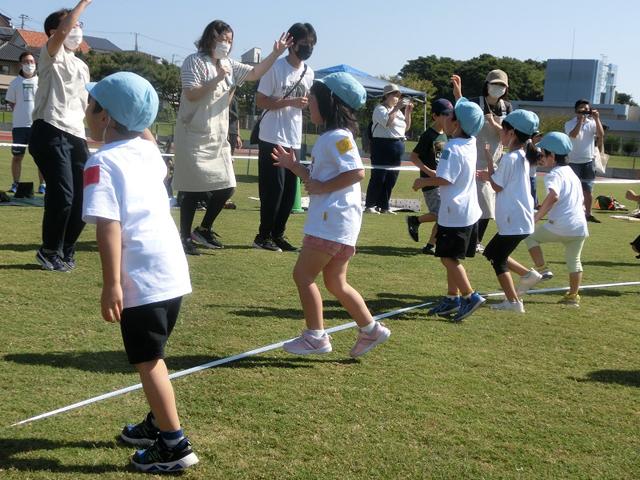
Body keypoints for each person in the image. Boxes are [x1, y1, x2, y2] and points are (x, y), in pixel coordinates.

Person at [82, 72, 198, 472]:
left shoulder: (101, 161)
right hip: (172, 274)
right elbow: (142, 131)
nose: (86, 109)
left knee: (148, 361)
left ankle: (174, 444)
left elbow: (108, 225)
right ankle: (156, 424)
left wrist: (112, 284)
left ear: (105, 116)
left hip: (142, 279)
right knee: (156, 354)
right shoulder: (150, 152)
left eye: (92, 103)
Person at [271, 72, 390, 357]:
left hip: (331, 222)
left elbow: (357, 171)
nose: (308, 103)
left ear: (330, 102)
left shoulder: (337, 137)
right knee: (336, 282)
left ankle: (316, 336)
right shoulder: (334, 137)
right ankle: (371, 329)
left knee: (303, 276)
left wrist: (322, 185)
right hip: (340, 224)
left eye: (313, 98)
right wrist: (294, 166)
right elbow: (317, 179)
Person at [173, 20, 293, 255]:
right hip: (193, 133)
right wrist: (218, 79)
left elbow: (255, 72)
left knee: (227, 186)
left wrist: (276, 53)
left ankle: (204, 228)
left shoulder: (229, 64)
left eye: (229, 41)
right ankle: (184, 236)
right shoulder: (194, 61)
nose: (226, 45)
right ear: (210, 38)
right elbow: (191, 93)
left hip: (217, 135)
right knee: (191, 188)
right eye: (222, 39)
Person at [412, 75, 485, 322]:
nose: (448, 117)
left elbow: (445, 179)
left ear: (456, 121)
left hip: (454, 212)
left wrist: (423, 181)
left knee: (447, 258)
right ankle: (452, 297)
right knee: (451, 257)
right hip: (468, 211)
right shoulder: (471, 141)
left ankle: (470, 296)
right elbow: (469, 116)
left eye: (452, 114)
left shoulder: (452, 148)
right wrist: (459, 93)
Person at [28, 0, 92, 272]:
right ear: (55, 31)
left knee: (86, 198)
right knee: (63, 195)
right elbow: (64, 33)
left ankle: (65, 249)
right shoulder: (50, 53)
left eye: (80, 25)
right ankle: (48, 250)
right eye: (74, 24)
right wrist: (84, 2)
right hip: (49, 129)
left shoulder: (82, 66)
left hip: (76, 135)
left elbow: (84, 106)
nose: (78, 30)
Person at [253, 22, 316, 252]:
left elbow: (305, 102)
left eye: (311, 44)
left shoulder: (309, 73)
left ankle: (278, 234)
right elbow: (260, 100)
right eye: (304, 44)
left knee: (290, 192)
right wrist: (289, 102)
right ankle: (263, 236)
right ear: (291, 43)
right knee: (274, 189)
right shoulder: (275, 68)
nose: (308, 48)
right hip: (272, 135)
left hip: (293, 137)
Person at [476, 110, 539, 312]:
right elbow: (500, 181)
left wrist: (487, 174)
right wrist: (488, 160)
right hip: (520, 218)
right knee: (492, 252)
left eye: (502, 128)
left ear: (511, 133)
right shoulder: (520, 156)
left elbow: (496, 186)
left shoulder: (511, 158)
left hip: (515, 219)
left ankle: (513, 302)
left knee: (496, 257)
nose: (499, 132)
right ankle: (527, 277)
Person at [522, 132, 589, 307]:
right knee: (574, 261)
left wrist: (536, 218)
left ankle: (543, 270)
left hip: (561, 226)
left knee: (530, 236)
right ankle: (573, 297)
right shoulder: (572, 173)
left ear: (552, 155)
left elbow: (554, 196)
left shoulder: (554, 174)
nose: (541, 158)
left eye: (543, 154)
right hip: (579, 227)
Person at [457, 70, 513, 252]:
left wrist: (493, 123)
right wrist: (458, 92)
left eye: (502, 85)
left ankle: (474, 241)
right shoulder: (476, 102)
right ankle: (473, 241)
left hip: (494, 161)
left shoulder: (507, 108)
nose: (498, 88)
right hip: (473, 158)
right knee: (481, 205)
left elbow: (506, 136)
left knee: (487, 206)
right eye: (495, 84)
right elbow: (462, 112)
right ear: (487, 85)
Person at [406, 98, 453, 254]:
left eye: (450, 114)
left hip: (442, 181)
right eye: (445, 115)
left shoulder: (446, 135)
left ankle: (430, 246)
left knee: (443, 215)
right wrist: (428, 172)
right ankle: (415, 220)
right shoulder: (428, 135)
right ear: (435, 116)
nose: (448, 118)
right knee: (441, 215)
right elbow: (413, 156)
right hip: (430, 182)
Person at [364, 83, 414, 214]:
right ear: (386, 96)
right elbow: (387, 123)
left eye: (399, 95)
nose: (397, 98)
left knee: (392, 177)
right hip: (382, 145)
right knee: (378, 176)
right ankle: (370, 205)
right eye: (395, 95)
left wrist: (408, 112)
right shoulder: (380, 109)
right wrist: (397, 108)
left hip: (397, 145)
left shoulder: (398, 112)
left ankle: (384, 206)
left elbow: (406, 128)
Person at [5, 52, 45, 194]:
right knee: (17, 157)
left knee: (41, 157)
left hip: (38, 125)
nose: (30, 64)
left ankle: (43, 185)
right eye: (26, 61)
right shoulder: (14, 83)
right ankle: (15, 183)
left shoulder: (41, 82)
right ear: (20, 64)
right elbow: (12, 103)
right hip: (19, 127)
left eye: (32, 61)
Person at [564, 99, 605, 223]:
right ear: (576, 110)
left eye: (587, 109)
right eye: (582, 109)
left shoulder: (592, 122)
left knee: (588, 189)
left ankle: (588, 214)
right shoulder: (569, 123)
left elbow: (601, 135)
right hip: (573, 161)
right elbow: (573, 135)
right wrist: (580, 121)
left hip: (588, 161)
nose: (585, 111)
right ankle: (571, 212)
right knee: (572, 189)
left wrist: (597, 118)